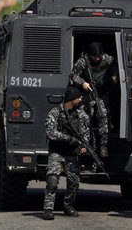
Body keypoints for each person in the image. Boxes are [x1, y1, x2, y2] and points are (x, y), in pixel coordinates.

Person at [43, 86, 91, 221]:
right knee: (52, 180)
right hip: (57, 152)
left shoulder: (81, 115)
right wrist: (69, 139)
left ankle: (68, 206)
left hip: (71, 153)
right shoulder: (55, 112)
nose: (81, 99)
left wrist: (83, 146)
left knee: (74, 182)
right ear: (72, 99)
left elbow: (86, 133)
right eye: (79, 97)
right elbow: (51, 132)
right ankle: (48, 209)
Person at [70, 41, 117, 158]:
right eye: (94, 56)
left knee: (103, 117)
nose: (97, 58)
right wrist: (82, 83)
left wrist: (113, 78)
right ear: (89, 55)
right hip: (87, 94)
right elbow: (73, 75)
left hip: (101, 93)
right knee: (84, 118)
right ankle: (86, 146)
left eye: (99, 56)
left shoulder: (108, 59)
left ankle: (103, 146)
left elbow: (117, 70)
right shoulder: (83, 61)